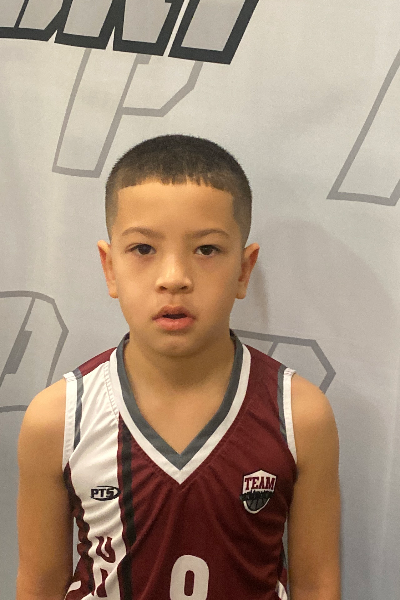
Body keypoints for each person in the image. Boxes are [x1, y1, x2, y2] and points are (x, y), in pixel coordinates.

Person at [16, 135, 340, 600]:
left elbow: (317, 585)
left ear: (244, 269)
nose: (174, 278)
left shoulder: (300, 415)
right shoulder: (57, 420)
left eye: (206, 250)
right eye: (143, 249)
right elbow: (39, 584)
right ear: (109, 267)